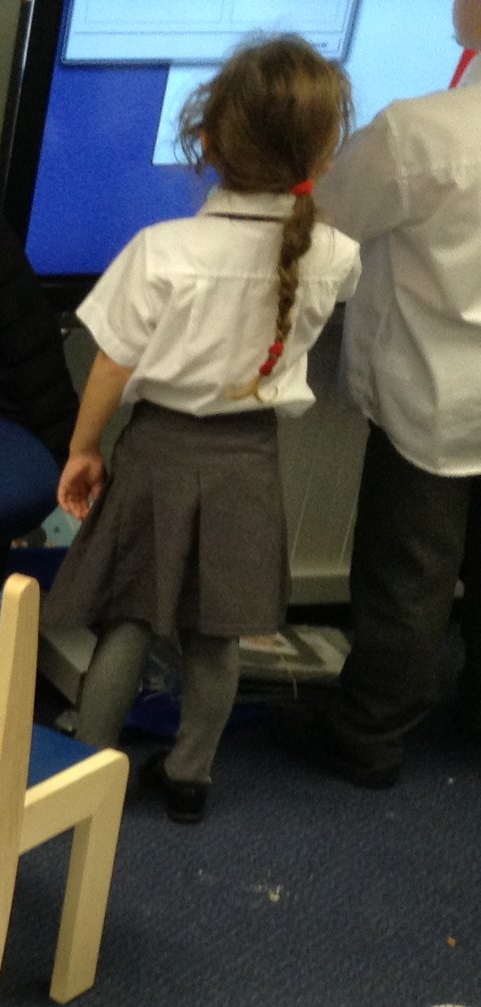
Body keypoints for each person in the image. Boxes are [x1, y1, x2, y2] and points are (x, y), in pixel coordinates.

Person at [44, 34, 360, 824]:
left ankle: (87, 760)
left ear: (207, 141)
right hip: (249, 462)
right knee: (218, 633)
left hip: (158, 451)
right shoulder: (335, 256)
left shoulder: (163, 252)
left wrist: (84, 449)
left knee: (129, 615)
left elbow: (112, 372)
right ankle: (190, 776)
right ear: (321, 153)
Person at [278, 0, 481, 786]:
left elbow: (325, 220)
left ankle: (366, 735)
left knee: (409, 578)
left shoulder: (419, 133)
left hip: (434, 400)